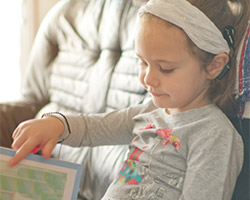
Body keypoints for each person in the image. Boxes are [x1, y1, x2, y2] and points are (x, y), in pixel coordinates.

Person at [8, 0, 249, 199]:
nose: (148, 79)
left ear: (214, 65)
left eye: (165, 68)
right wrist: (57, 124)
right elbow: (95, 128)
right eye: (142, 62)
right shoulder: (150, 111)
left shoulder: (214, 135)